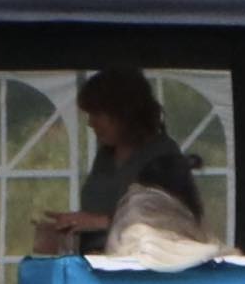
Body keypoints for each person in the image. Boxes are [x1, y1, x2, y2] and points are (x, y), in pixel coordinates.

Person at [37, 69, 184, 254]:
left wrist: (98, 222)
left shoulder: (163, 153)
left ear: (123, 112)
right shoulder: (105, 156)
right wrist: (68, 229)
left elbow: (173, 220)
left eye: (97, 114)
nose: (90, 122)